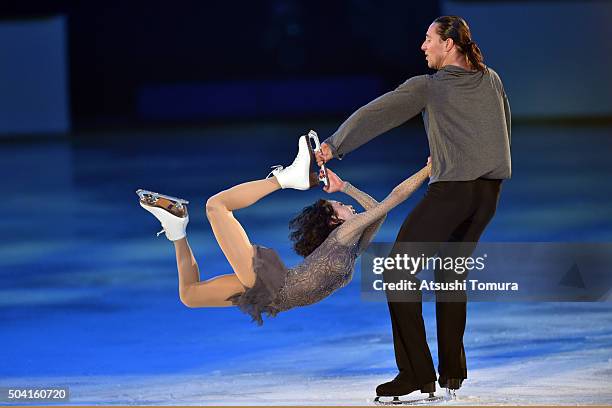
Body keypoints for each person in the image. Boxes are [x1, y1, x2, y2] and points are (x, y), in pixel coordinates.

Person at [315, 16, 511, 398]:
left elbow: (378, 113)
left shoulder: (429, 87)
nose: (423, 46)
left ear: (449, 44)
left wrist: (332, 146)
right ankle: (452, 373)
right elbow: (497, 129)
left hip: (452, 193)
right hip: (488, 196)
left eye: (428, 39)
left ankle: (415, 374)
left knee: (397, 273)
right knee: (451, 275)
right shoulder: (492, 79)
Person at [138, 135, 432, 325]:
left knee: (190, 296)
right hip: (271, 285)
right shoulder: (344, 236)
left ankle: (176, 226)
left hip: (272, 295)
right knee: (216, 206)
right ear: (334, 220)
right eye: (342, 206)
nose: (350, 208)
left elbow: (377, 213)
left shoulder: (352, 245)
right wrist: (427, 170)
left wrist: (345, 187)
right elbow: (389, 202)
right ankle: (284, 179)